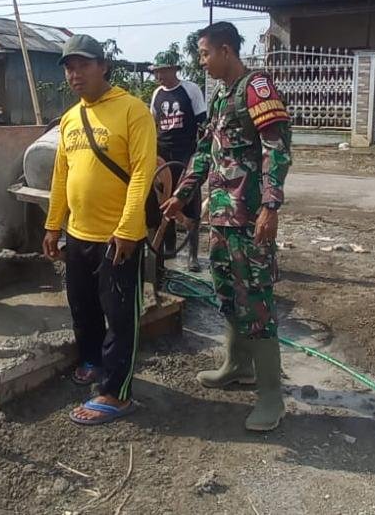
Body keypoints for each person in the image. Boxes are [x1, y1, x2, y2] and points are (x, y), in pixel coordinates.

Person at [161, 22, 292, 431]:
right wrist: (182, 193)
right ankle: (238, 365)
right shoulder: (220, 97)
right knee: (226, 291)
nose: (201, 61)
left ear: (225, 50)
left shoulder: (257, 88)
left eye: (203, 53)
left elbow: (278, 151)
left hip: (250, 218)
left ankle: (272, 396)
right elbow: (205, 151)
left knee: (256, 299)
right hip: (220, 215)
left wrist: (271, 206)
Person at [42, 34, 157, 426]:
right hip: (78, 234)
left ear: (103, 67)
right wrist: (52, 223)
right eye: (69, 67)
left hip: (118, 238)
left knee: (121, 316)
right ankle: (91, 360)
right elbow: (62, 174)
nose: (75, 74)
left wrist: (127, 227)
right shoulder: (71, 117)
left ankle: (116, 393)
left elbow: (143, 170)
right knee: (83, 306)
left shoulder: (132, 110)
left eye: (83, 65)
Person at [149, 54, 207, 272]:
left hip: (186, 153)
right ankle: (169, 249)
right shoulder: (157, 94)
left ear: (174, 70)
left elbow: (203, 123)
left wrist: (200, 152)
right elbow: (151, 123)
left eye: (162, 71)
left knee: (189, 200)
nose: (159, 76)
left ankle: (193, 256)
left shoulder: (190, 89)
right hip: (164, 154)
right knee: (165, 200)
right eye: (156, 72)